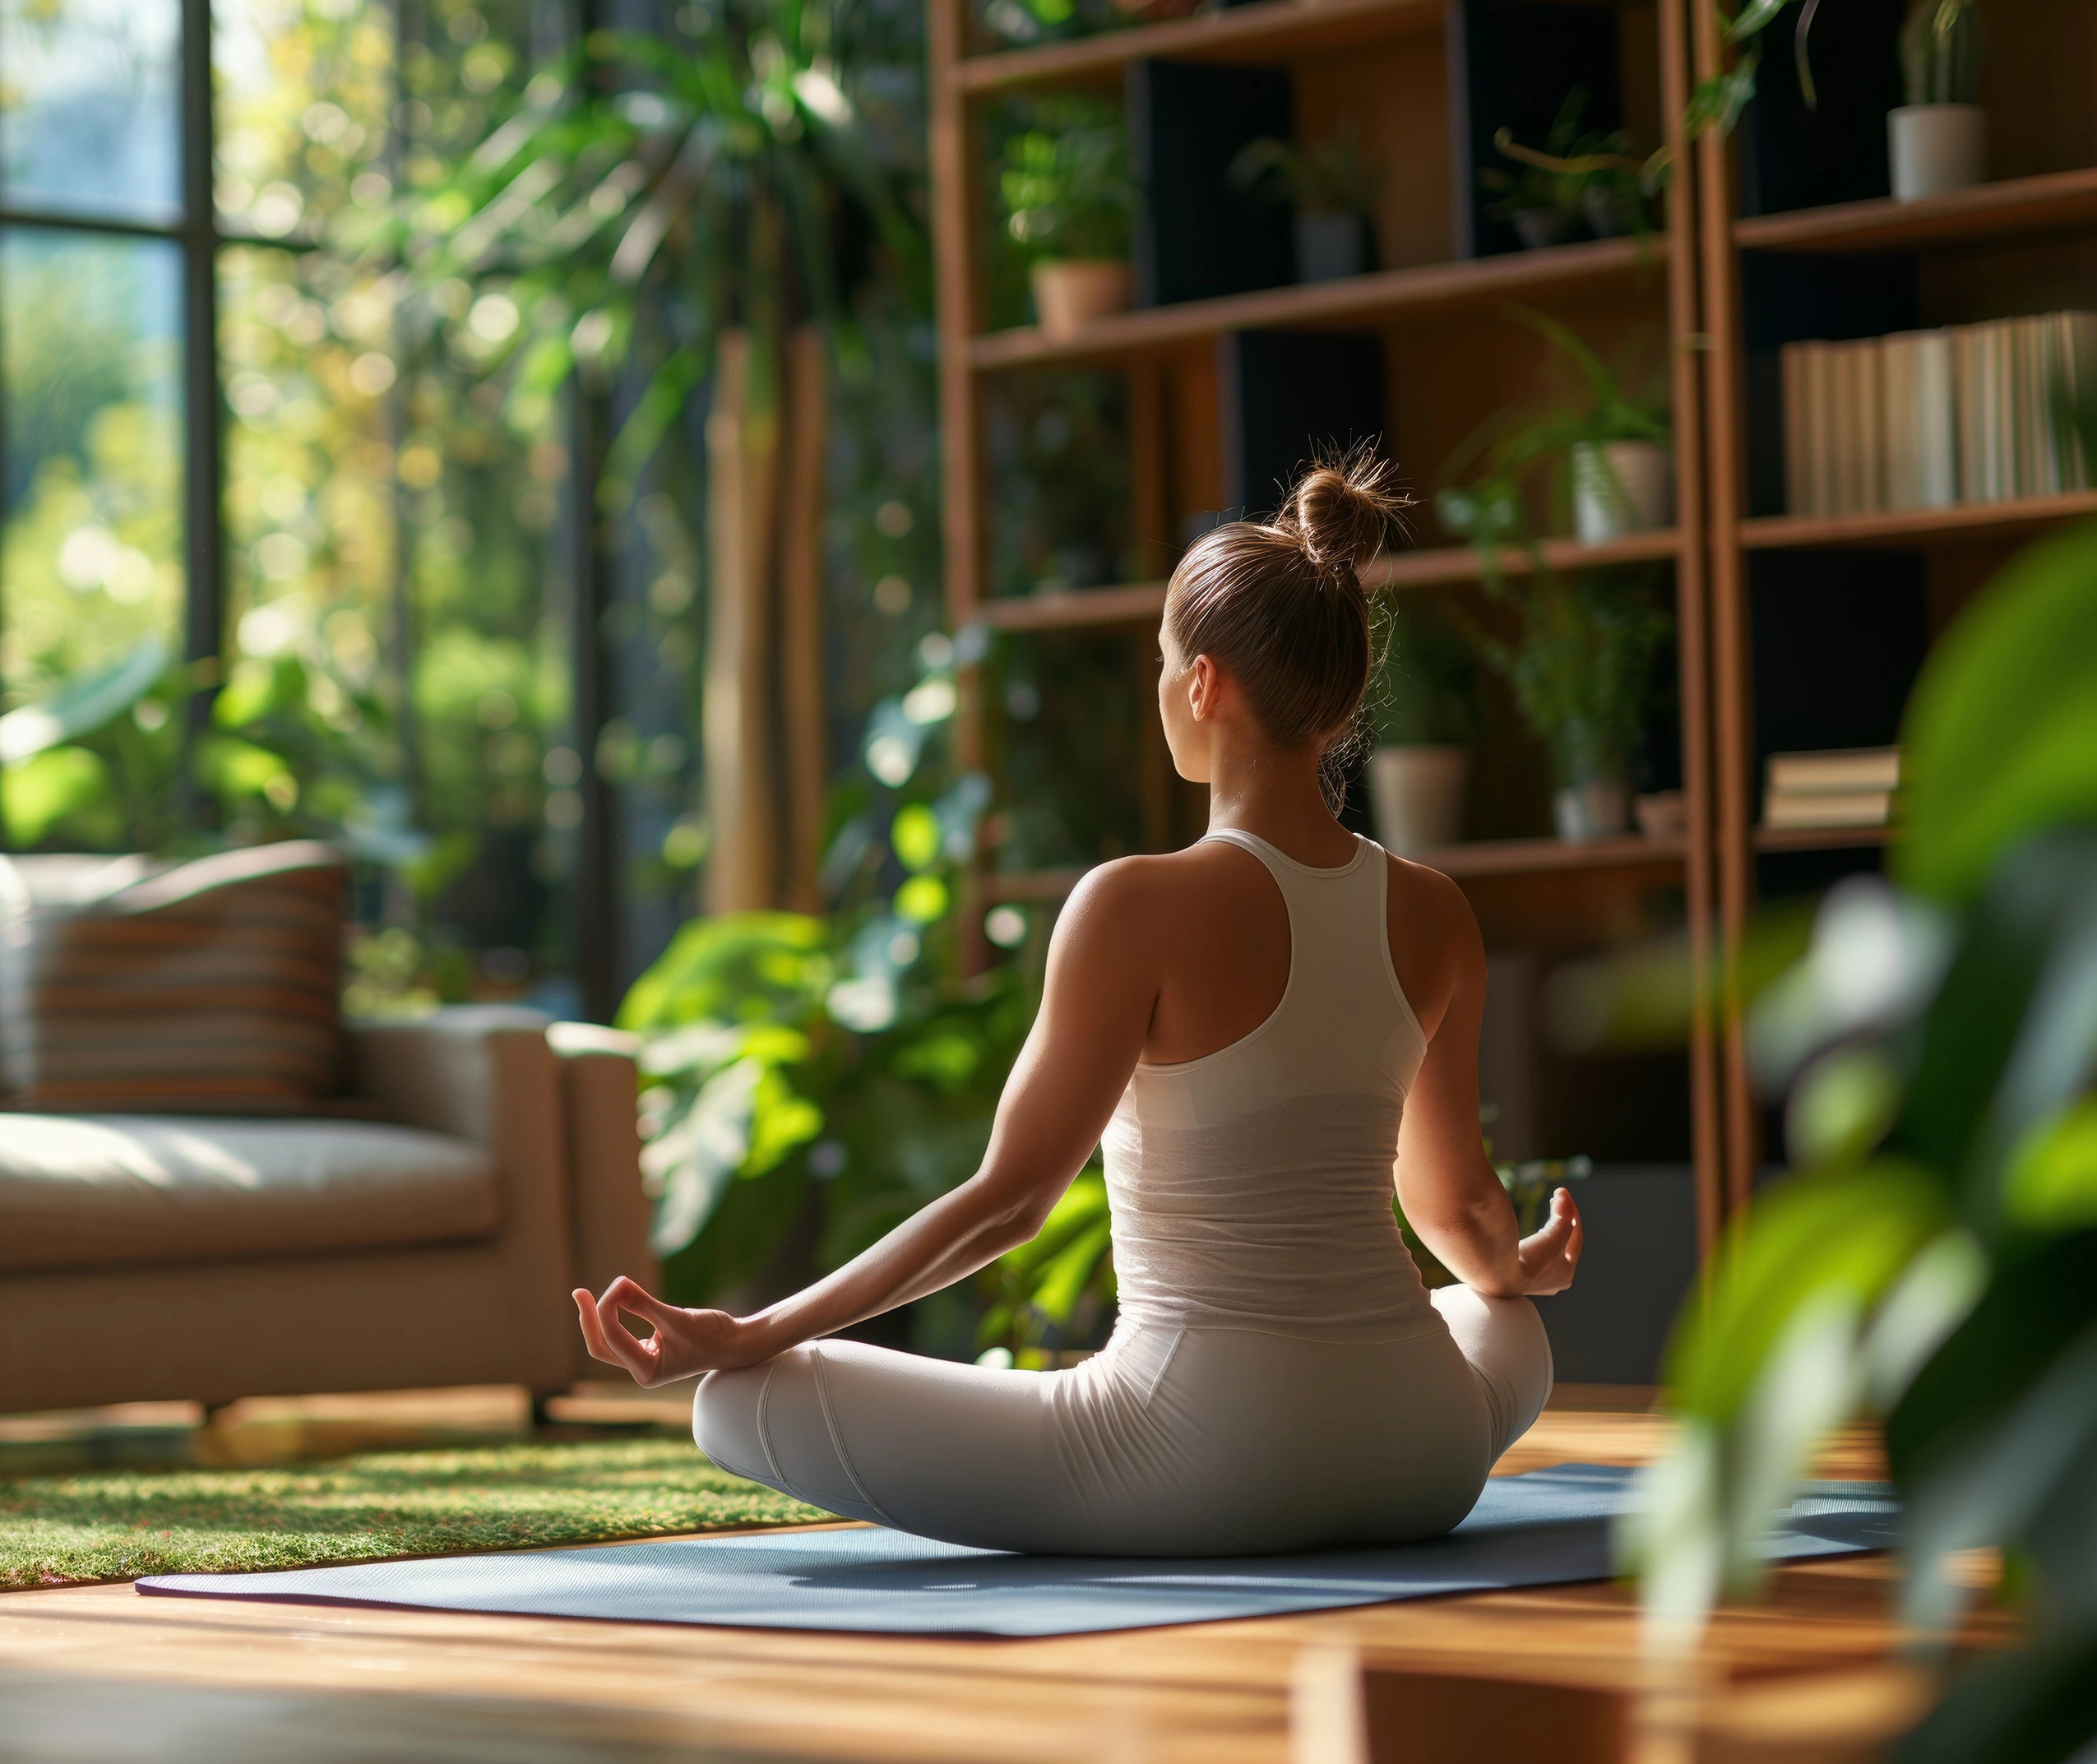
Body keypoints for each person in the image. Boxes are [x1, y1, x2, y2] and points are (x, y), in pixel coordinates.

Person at [572, 455, 1584, 1558]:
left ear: (1202, 684)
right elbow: (1463, 1214)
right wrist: (1514, 1268)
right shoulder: (1435, 912)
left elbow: (1009, 1204)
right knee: (1501, 1322)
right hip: (1422, 1457)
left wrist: (753, 1329)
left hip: (1209, 1461)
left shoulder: (1131, 903)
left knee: (737, 1401)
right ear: (1338, 703)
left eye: (1160, 664)